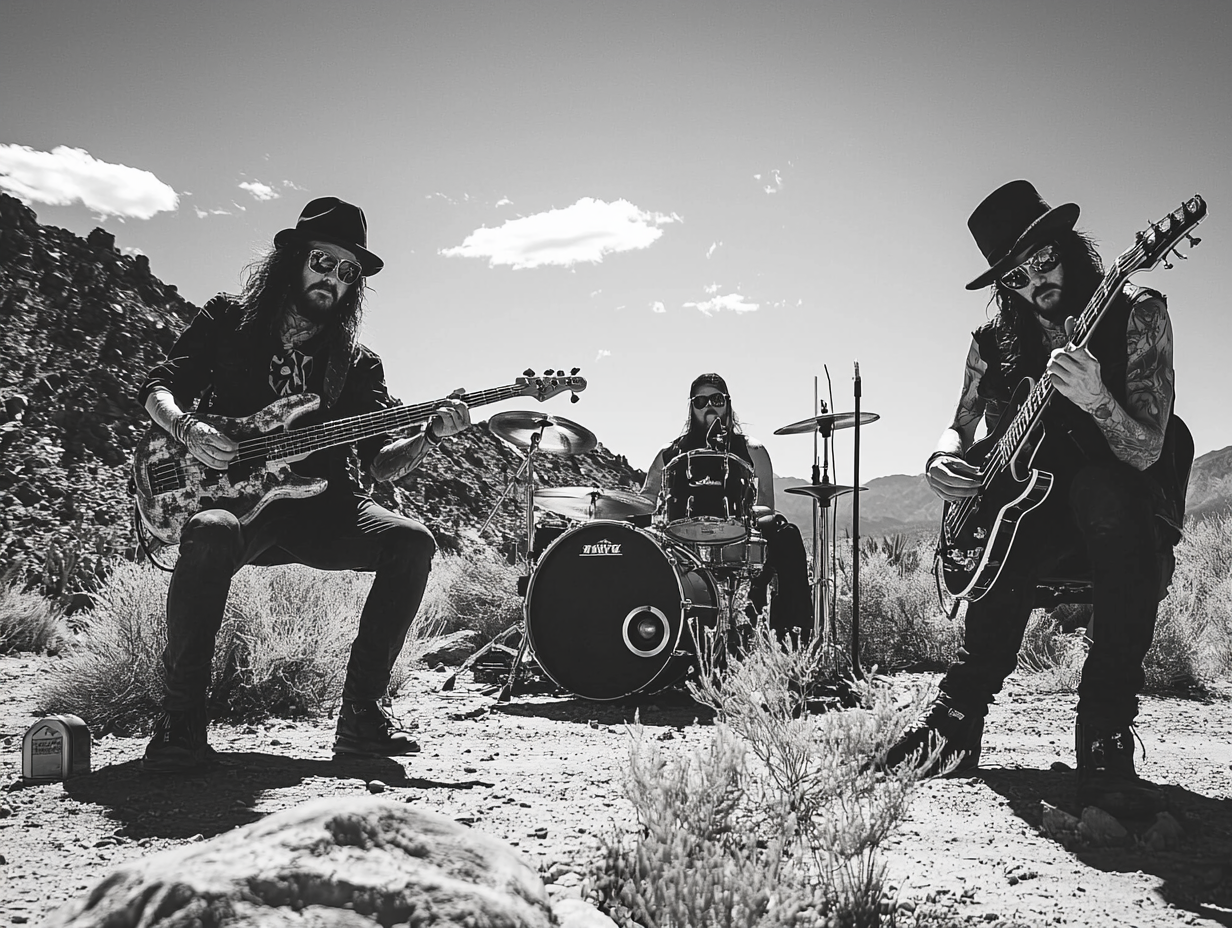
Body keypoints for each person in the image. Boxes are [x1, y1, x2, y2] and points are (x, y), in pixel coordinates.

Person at [885, 180, 1190, 816]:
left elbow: (1148, 449)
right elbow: (960, 422)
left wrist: (1098, 400)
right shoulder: (994, 342)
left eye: (1044, 260)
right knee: (1011, 524)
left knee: (1103, 489)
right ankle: (955, 722)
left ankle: (1104, 732)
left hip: (1122, 516)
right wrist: (942, 456)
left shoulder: (1136, 315)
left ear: (1069, 246)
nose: (1034, 282)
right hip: (1034, 510)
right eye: (1016, 275)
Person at [138, 197, 471, 772]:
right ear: (292, 259)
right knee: (209, 531)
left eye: (348, 272)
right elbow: (160, 384)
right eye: (323, 261)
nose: (333, 279)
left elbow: (379, 464)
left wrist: (427, 435)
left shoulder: (358, 364)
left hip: (327, 509)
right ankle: (180, 722)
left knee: (412, 542)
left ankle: (361, 719)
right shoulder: (229, 319)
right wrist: (187, 428)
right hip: (236, 504)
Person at [640, 373, 812, 642]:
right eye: (700, 401)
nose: (709, 406)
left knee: (786, 534)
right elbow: (647, 497)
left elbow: (766, 502)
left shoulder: (753, 449)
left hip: (738, 534)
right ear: (691, 406)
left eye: (716, 399)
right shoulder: (670, 452)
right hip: (680, 541)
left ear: (727, 403)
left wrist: (745, 516)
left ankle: (792, 637)